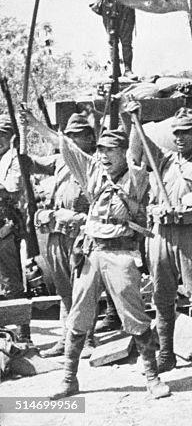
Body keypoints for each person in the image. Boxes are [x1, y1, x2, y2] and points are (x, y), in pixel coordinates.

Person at [49, 126, 170, 399]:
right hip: (91, 252)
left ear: (123, 153)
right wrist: (32, 123)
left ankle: (152, 378)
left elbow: (137, 149)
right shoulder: (93, 172)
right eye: (100, 150)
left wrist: (132, 115)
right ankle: (69, 379)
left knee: (135, 316)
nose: (103, 156)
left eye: (109, 150)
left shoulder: (136, 176)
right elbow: (65, 146)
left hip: (120, 254)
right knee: (78, 317)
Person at [125, 101, 192, 375]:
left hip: (191, 234)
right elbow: (138, 145)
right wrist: (136, 118)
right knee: (162, 296)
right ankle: (166, 354)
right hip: (160, 234)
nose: (181, 137)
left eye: (187, 132)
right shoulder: (162, 160)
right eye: (177, 133)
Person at [18, 111, 93, 356]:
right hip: (57, 231)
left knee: (83, 288)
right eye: (69, 136)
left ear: (89, 138)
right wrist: (19, 151)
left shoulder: (90, 160)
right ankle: (68, 336)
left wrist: (36, 124)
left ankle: (87, 338)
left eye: (77, 136)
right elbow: (33, 165)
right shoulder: (61, 161)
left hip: (80, 231)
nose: (71, 141)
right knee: (63, 288)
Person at [0, 116, 25, 302]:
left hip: (7, 227)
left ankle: (22, 330)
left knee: (11, 281)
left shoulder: (15, 159)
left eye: (3, 135)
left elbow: (13, 189)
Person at [88, 0, 136, 77]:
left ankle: (128, 70)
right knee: (112, 41)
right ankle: (115, 70)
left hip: (126, 3)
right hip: (108, 3)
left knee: (126, 41)